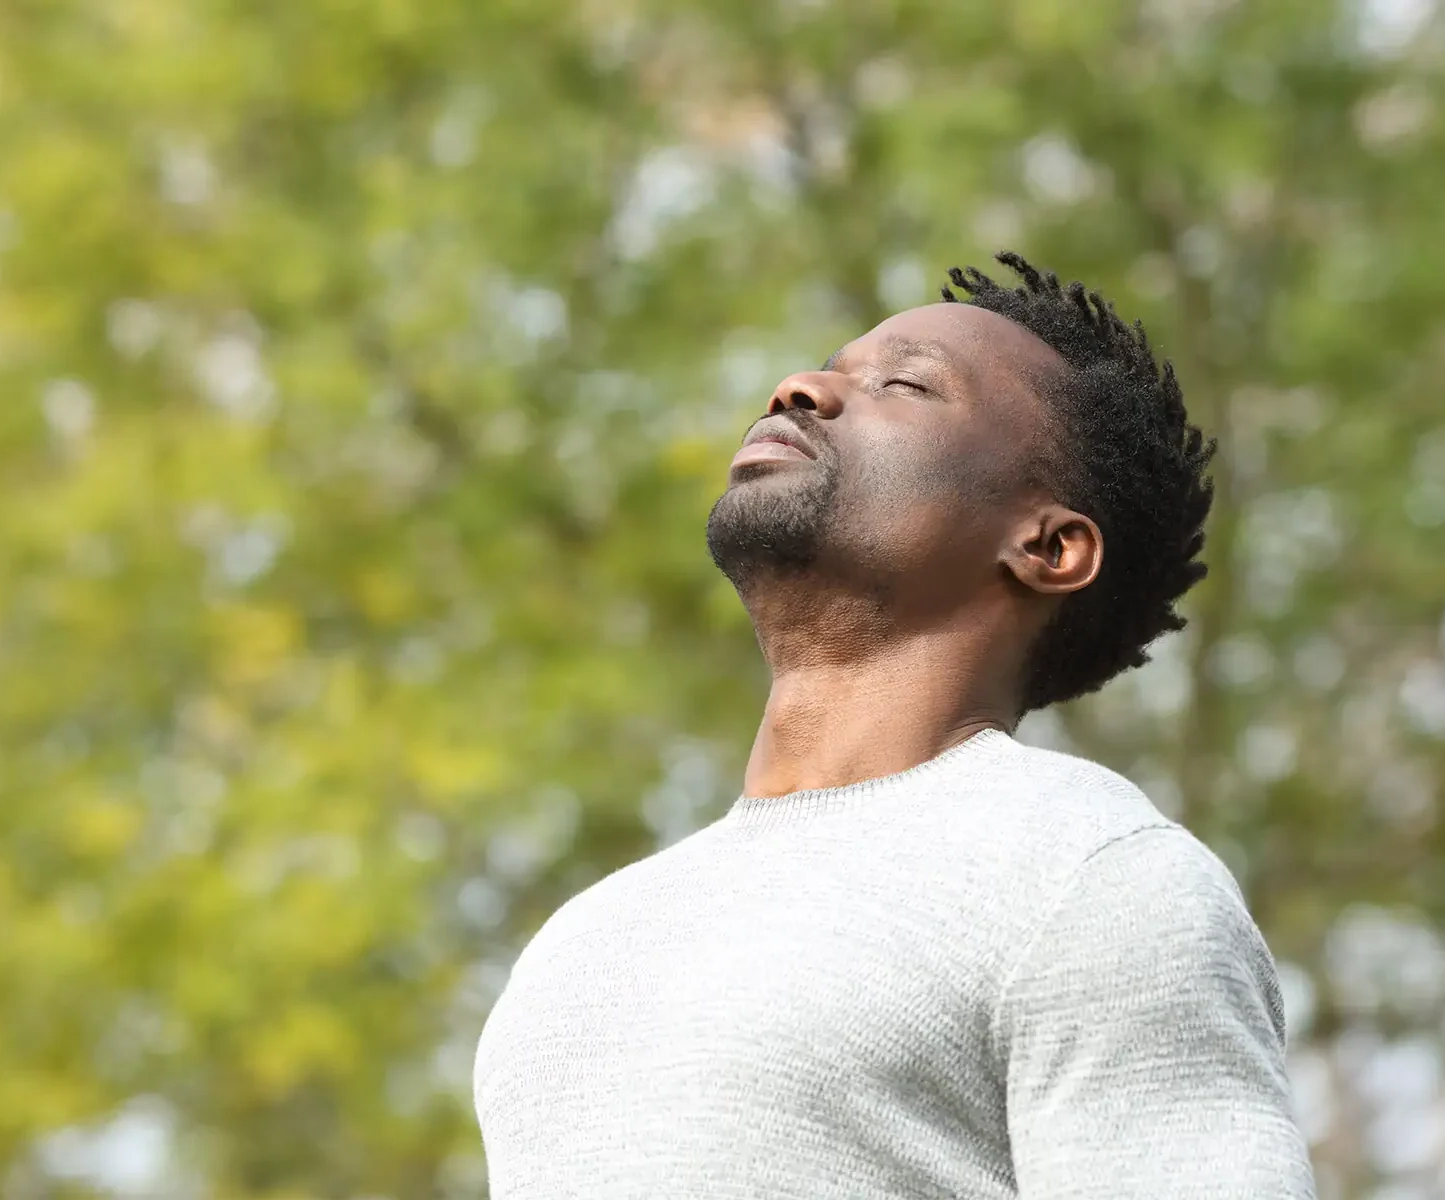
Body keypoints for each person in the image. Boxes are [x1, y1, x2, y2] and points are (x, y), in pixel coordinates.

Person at [472, 253, 1316, 1199]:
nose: (802, 388)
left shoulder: (1093, 876)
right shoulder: (587, 938)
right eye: (826, 367)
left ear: (1047, 546)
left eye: (905, 385)